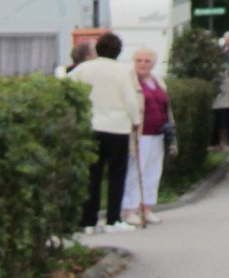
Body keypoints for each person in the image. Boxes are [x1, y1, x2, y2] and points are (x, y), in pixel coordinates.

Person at [69, 31, 140, 234]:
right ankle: (112, 219)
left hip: (92, 126)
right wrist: (136, 122)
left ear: (98, 49)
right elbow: (131, 100)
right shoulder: (122, 72)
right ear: (118, 51)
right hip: (118, 128)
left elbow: (67, 85)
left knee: (93, 175)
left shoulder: (84, 69)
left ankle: (89, 220)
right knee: (117, 175)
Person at [121, 48, 174, 227]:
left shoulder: (158, 80)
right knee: (136, 171)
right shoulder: (129, 81)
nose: (142, 64)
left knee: (153, 171)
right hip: (140, 133)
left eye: (147, 61)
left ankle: (147, 207)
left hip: (158, 133)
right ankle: (129, 209)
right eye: (139, 60)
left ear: (153, 64)